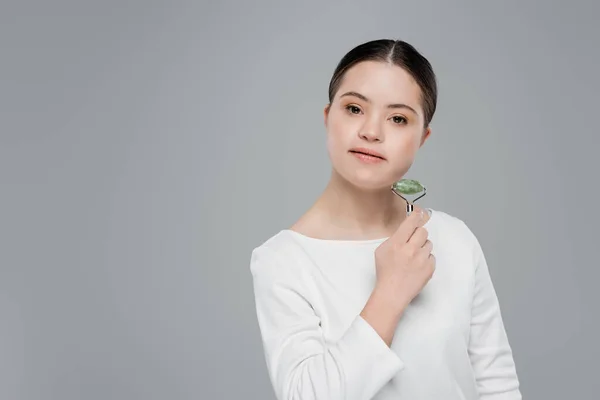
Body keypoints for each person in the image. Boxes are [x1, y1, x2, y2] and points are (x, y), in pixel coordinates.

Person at [249, 39, 521, 400]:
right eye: (354, 109)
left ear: (422, 137)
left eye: (398, 118)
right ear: (328, 117)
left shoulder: (455, 240)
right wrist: (391, 292)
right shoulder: (282, 260)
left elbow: (497, 385)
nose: (372, 132)